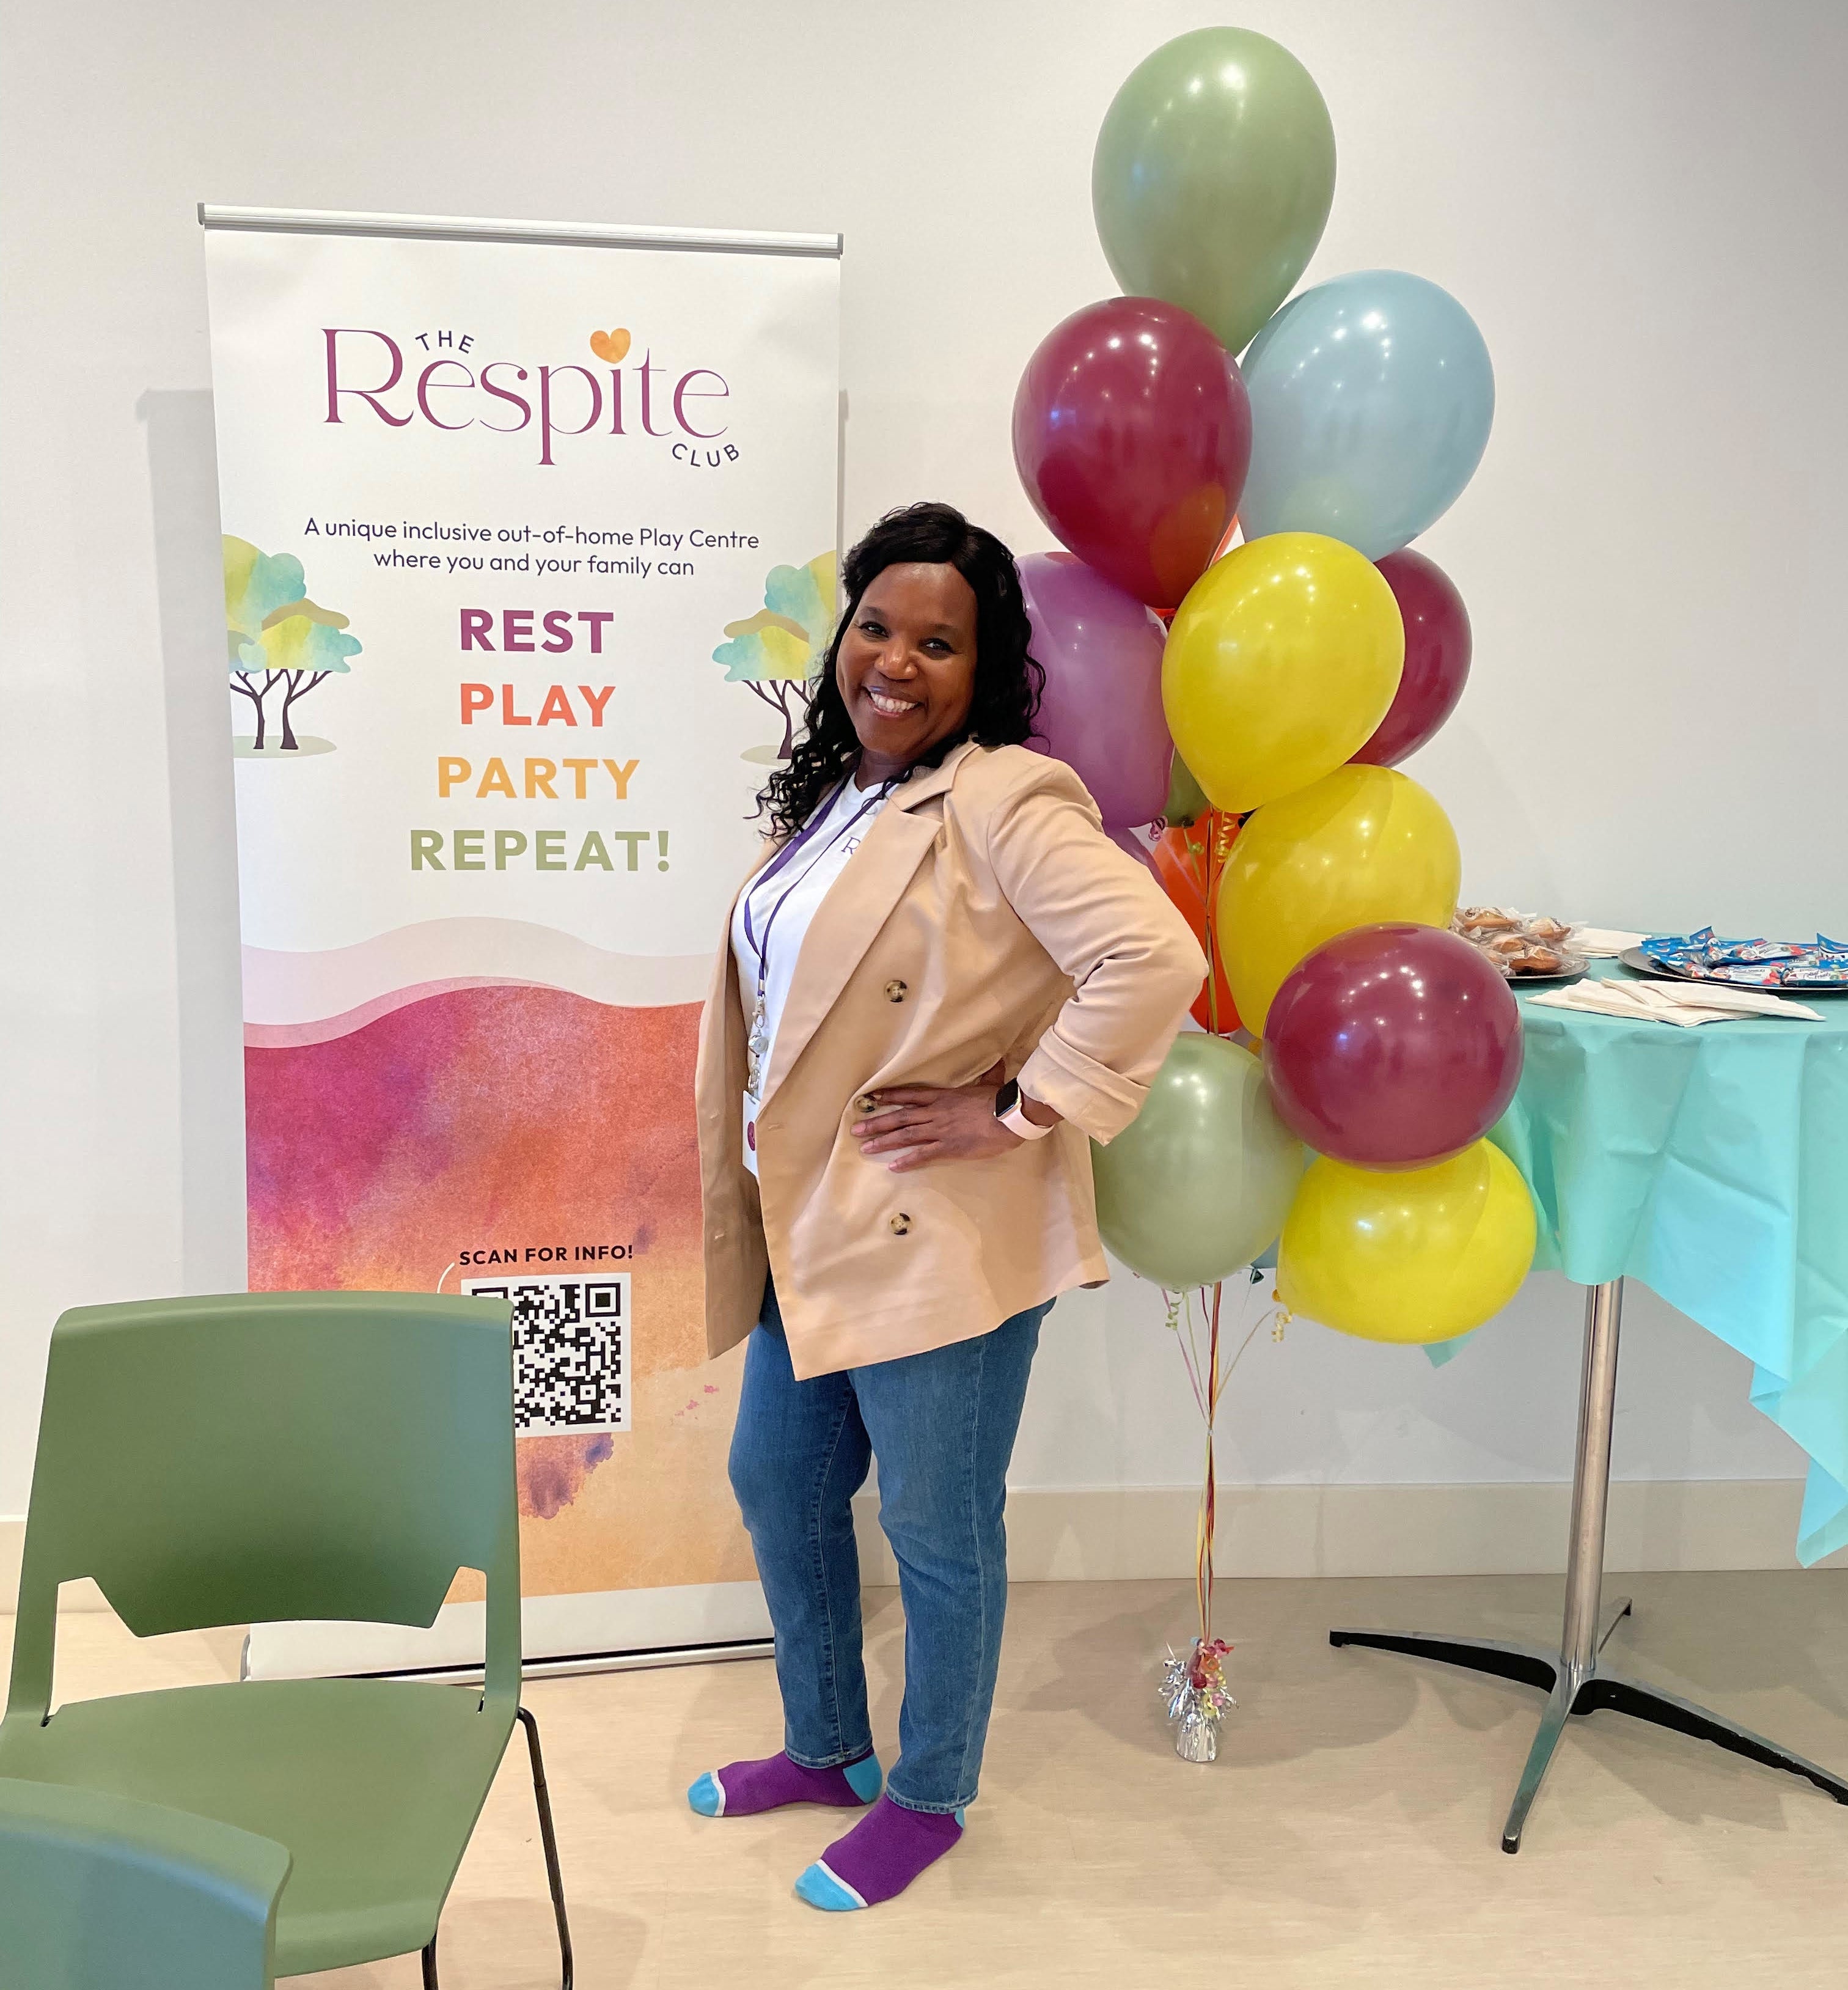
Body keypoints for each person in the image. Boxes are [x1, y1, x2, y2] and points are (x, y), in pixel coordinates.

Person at [688, 501, 1204, 1910]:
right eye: (877, 627)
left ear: (985, 670)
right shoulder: (836, 795)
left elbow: (1151, 953)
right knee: (781, 1478)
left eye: (939, 641)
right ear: (840, 635)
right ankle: (827, 1743)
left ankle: (928, 1793)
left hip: (938, 1227)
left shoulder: (1003, 796)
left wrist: (1023, 1107)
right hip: (816, 1216)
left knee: (935, 1519)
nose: (898, 663)